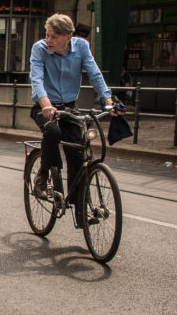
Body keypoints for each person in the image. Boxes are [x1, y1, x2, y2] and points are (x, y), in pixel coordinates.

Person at [29, 13, 116, 222]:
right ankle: (42, 176)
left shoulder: (81, 47)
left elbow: (94, 73)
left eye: (54, 37)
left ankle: (80, 211)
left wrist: (107, 100)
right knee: (53, 130)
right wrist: (47, 105)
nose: (48, 40)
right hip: (45, 106)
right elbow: (37, 79)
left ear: (68, 36)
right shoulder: (39, 49)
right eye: (47, 35)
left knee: (77, 155)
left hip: (69, 108)